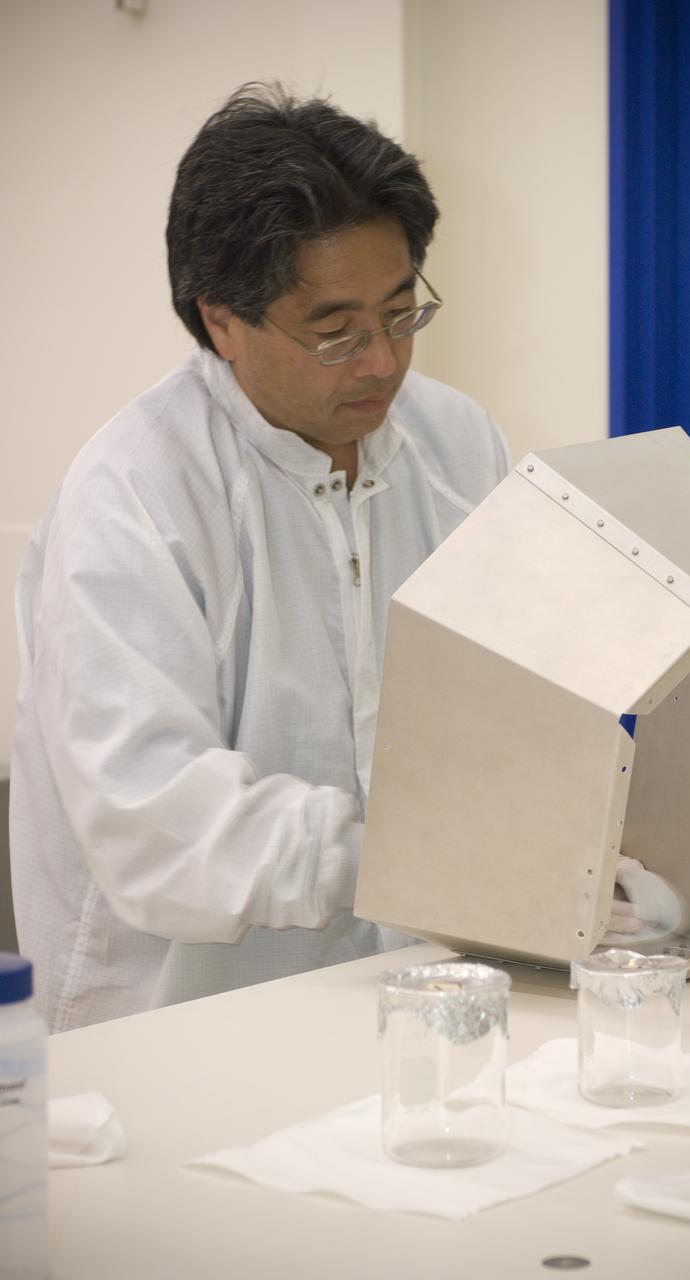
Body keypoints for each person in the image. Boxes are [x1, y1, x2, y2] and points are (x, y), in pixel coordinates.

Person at [10, 83, 511, 1032]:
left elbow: (515, 708)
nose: (380, 364)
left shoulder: (456, 446)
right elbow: (154, 824)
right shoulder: (136, 497)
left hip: (410, 1004)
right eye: (335, 333)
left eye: (401, 314)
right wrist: (399, 853)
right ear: (222, 322)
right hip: (175, 1036)